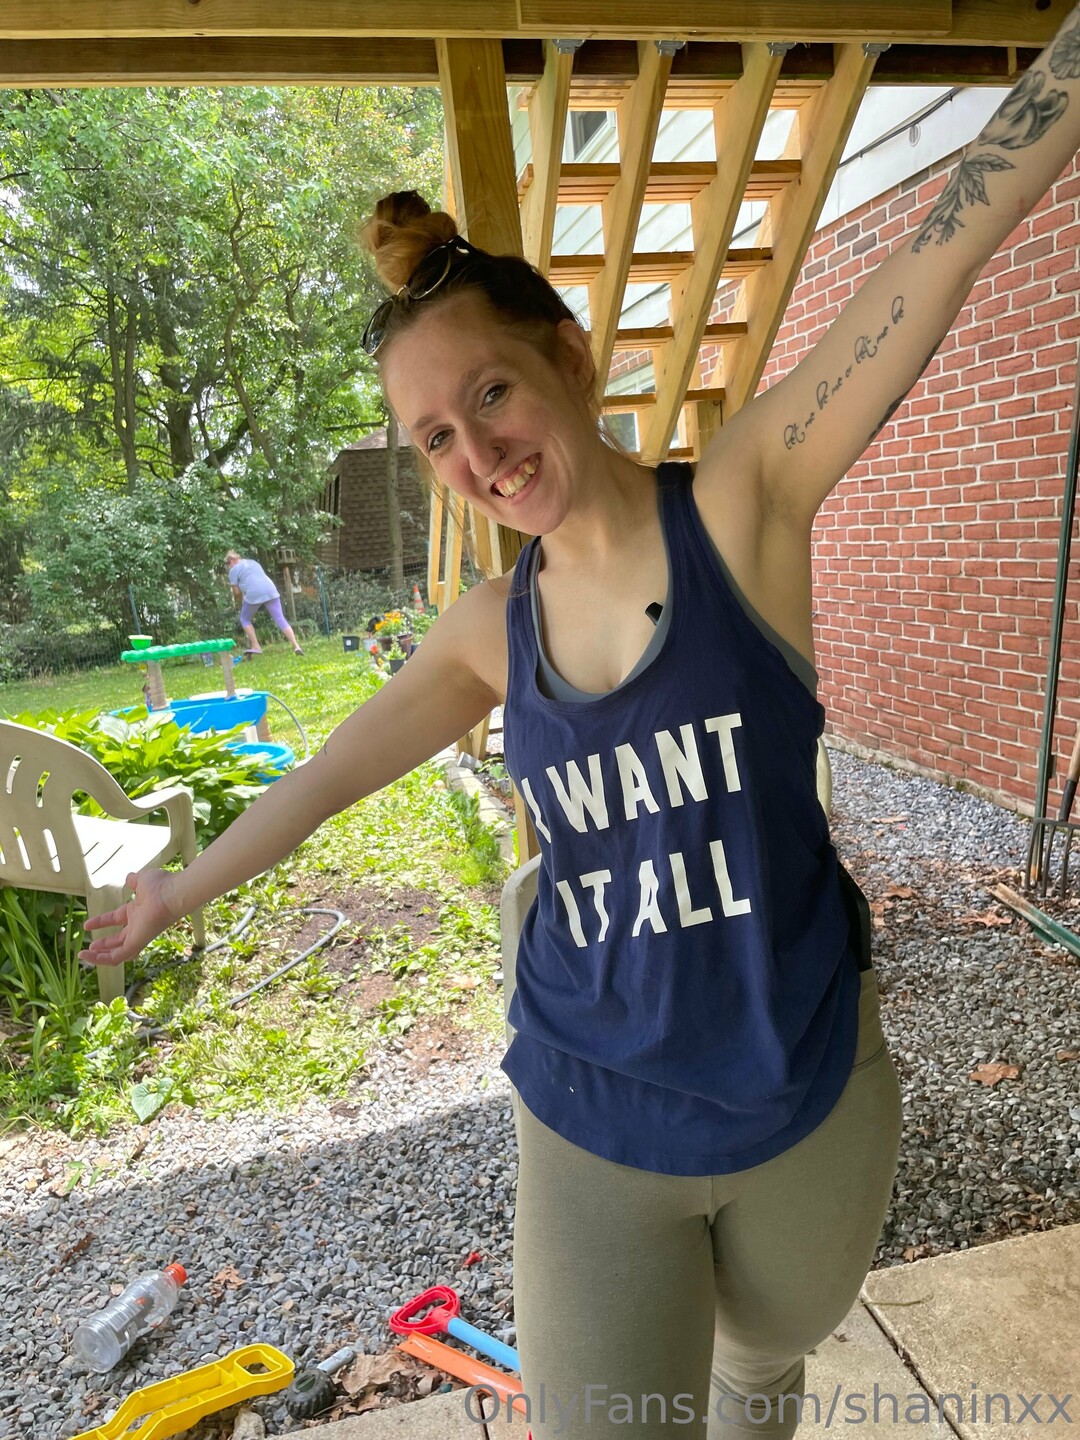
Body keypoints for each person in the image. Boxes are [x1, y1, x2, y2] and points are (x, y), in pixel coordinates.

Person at [82, 16, 1080, 1434]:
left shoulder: (743, 506)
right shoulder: (487, 632)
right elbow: (331, 775)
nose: (478, 454)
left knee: (765, 1366)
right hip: (592, 1108)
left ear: (569, 354)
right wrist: (179, 890)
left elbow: (941, 251)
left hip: (803, 1082)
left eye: (490, 392)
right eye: (436, 437)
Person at [224, 548, 304, 655]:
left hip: (254, 593)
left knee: (244, 619)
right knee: (280, 618)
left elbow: (236, 592)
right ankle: (296, 646)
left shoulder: (234, 570)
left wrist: (240, 603)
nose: (229, 568)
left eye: (228, 566)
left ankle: (256, 646)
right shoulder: (252, 562)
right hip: (270, 589)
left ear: (231, 561)